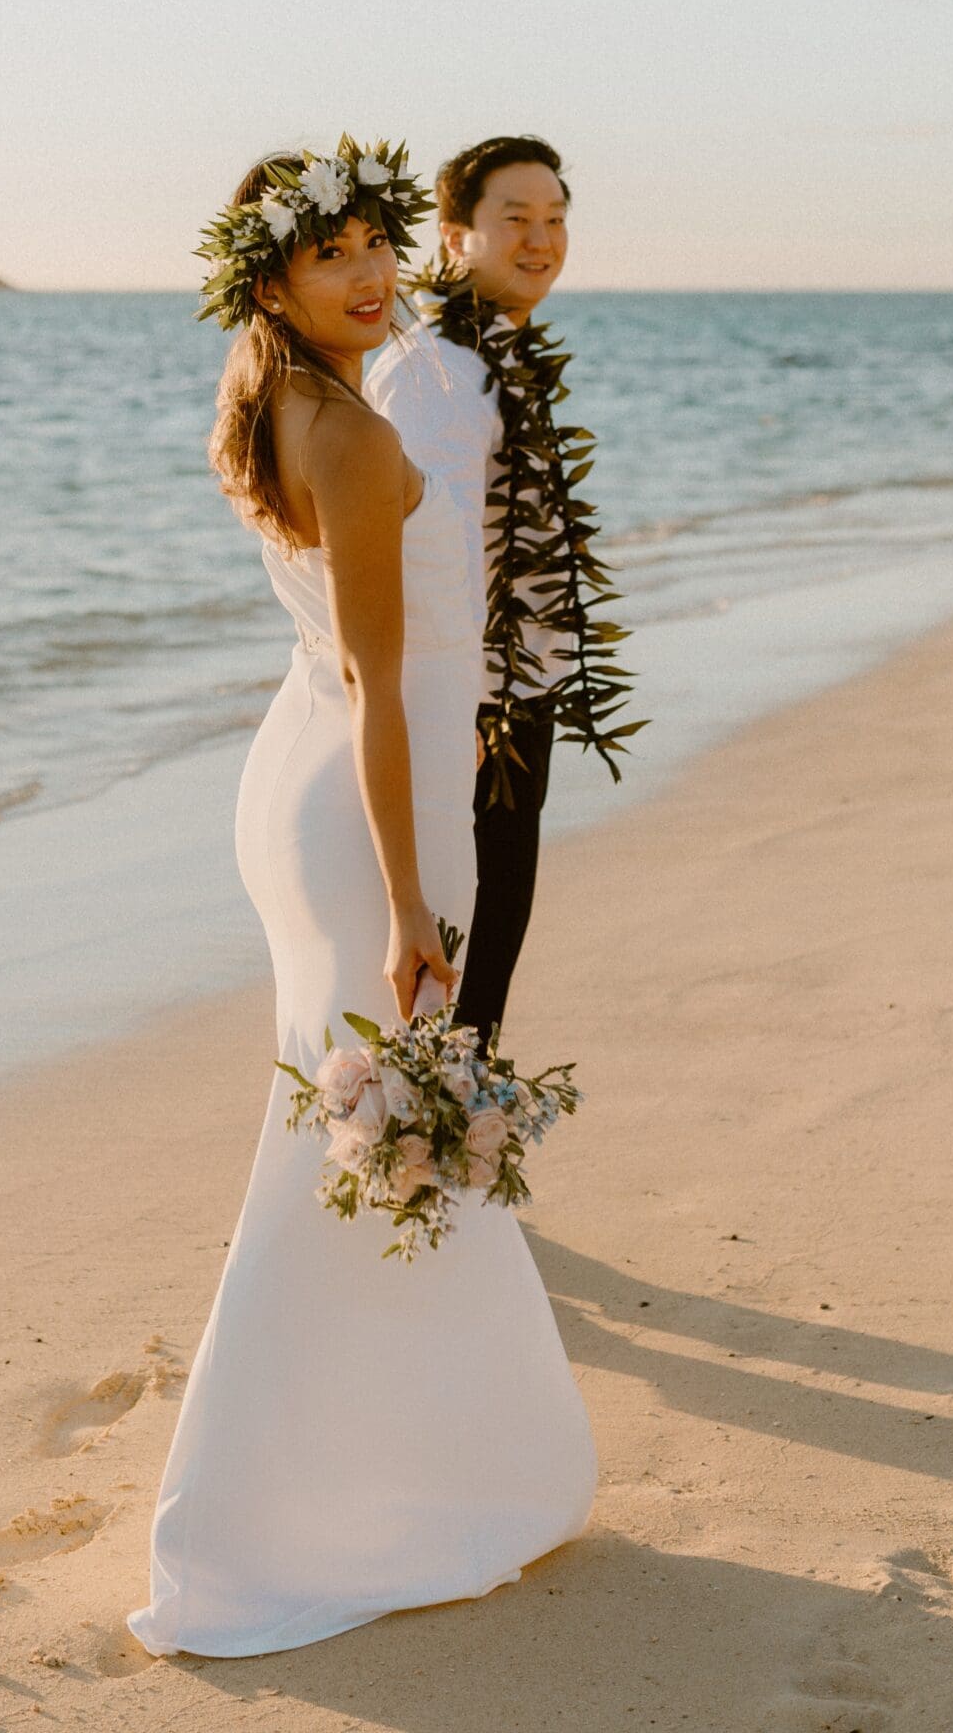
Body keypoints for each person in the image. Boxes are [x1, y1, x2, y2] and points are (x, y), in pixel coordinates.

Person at [126, 138, 596, 1660]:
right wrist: (409, 903)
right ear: (267, 279)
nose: (369, 278)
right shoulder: (330, 422)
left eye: (376, 250)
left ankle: (393, 1457)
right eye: (331, 258)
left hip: (307, 776)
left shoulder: (289, 396)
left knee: (344, 1129)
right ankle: (269, 1513)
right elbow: (384, 684)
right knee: (346, 1133)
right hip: (368, 804)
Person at [369, 137, 640, 1049]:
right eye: (514, 220)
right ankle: (432, 1169)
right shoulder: (436, 372)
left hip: (511, 695)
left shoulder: (492, 357)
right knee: (457, 973)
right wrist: (452, 728)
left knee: (486, 966)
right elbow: (418, 560)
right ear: (455, 239)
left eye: (556, 220)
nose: (541, 240)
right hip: (466, 712)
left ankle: (457, 1172)